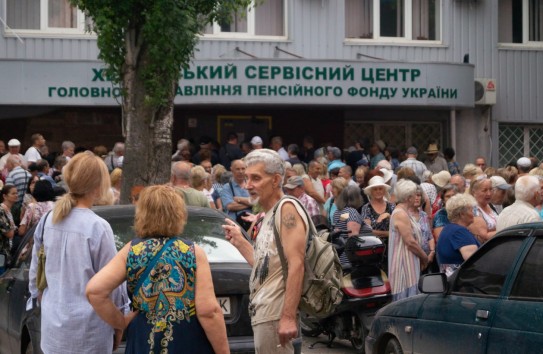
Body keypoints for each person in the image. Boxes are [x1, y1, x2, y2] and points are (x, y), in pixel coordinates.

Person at [86, 185, 228, 353]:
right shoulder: (192, 252)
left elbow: (94, 291)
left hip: (144, 341)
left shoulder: (132, 250)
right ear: (179, 214)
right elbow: (208, 311)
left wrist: (120, 322)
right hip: (187, 341)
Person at [28, 151, 129, 354]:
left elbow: (36, 273)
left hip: (54, 329)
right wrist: (119, 322)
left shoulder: (49, 220)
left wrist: (42, 299)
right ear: (98, 185)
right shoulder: (97, 227)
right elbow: (113, 285)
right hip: (90, 331)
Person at [222, 148, 308, 352]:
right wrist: (241, 242)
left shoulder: (287, 209)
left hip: (275, 315)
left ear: (276, 179)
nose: (248, 185)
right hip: (264, 312)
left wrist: (287, 317)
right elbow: (266, 268)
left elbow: (297, 264)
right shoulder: (269, 212)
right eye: (246, 178)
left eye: (256, 178)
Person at [388, 179, 428, 301]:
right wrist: (424, 257)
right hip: (404, 265)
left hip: (409, 263)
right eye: (414, 194)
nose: (416, 197)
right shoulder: (400, 214)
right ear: (408, 197)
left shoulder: (404, 212)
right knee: (406, 302)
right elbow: (410, 242)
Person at [437, 193, 480, 276]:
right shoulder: (459, 232)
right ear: (462, 214)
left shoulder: (448, 228)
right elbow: (475, 261)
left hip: (450, 281)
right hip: (462, 283)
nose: (473, 214)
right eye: (471, 210)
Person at [410, 185, 436, 273]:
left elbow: (430, 236)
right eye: (414, 195)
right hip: (412, 259)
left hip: (427, 258)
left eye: (419, 195)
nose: (417, 198)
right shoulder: (404, 215)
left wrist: (432, 252)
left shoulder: (424, 215)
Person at [468, 177, 498, 243]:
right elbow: (484, 236)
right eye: (484, 190)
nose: (489, 193)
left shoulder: (491, 205)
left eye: (491, 189)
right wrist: (504, 230)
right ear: (474, 192)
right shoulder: (474, 210)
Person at [0, 185, 18, 265]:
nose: (16, 195)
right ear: (4, 196)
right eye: (13, 193)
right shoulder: (1, 211)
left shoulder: (8, 210)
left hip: (6, 251)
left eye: (17, 193)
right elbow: (10, 233)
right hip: (2, 252)